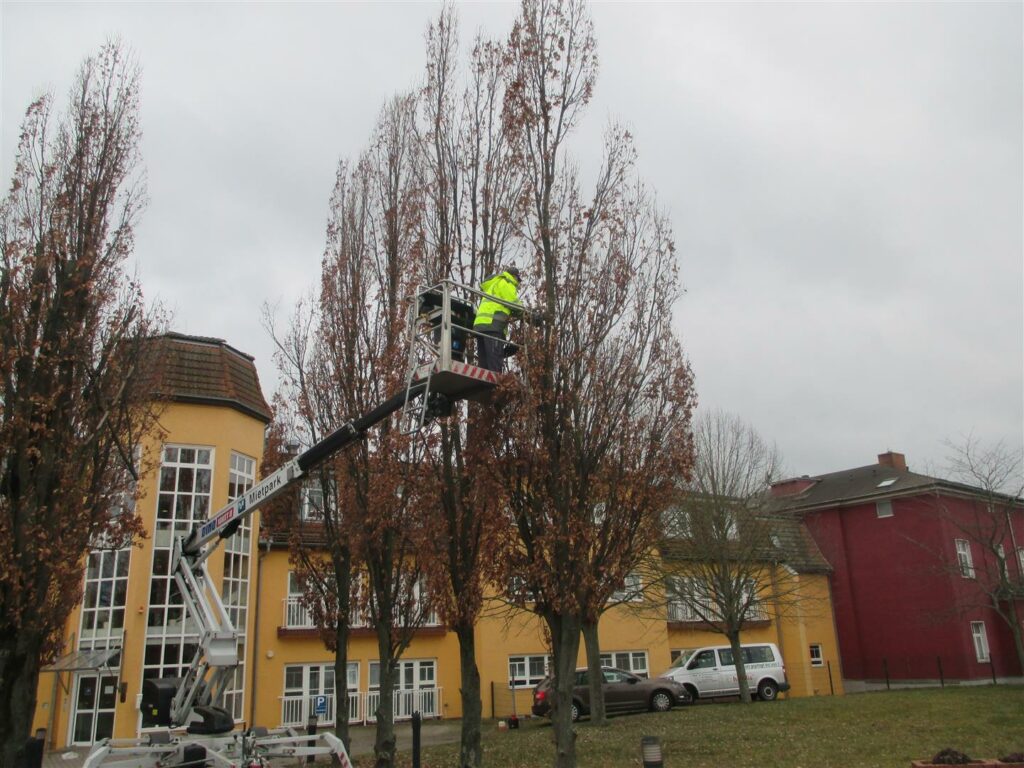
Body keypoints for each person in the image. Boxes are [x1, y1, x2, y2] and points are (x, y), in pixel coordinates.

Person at [473, 265, 523, 373]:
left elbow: (504, 305)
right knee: (494, 364)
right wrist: (527, 314)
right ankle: (495, 387)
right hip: (492, 326)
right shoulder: (506, 282)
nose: (518, 284)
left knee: (485, 363)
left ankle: (485, 386)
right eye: (518, 280)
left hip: (481, 325)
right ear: (514, 277)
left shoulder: (494, 285)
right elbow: (513, 303)